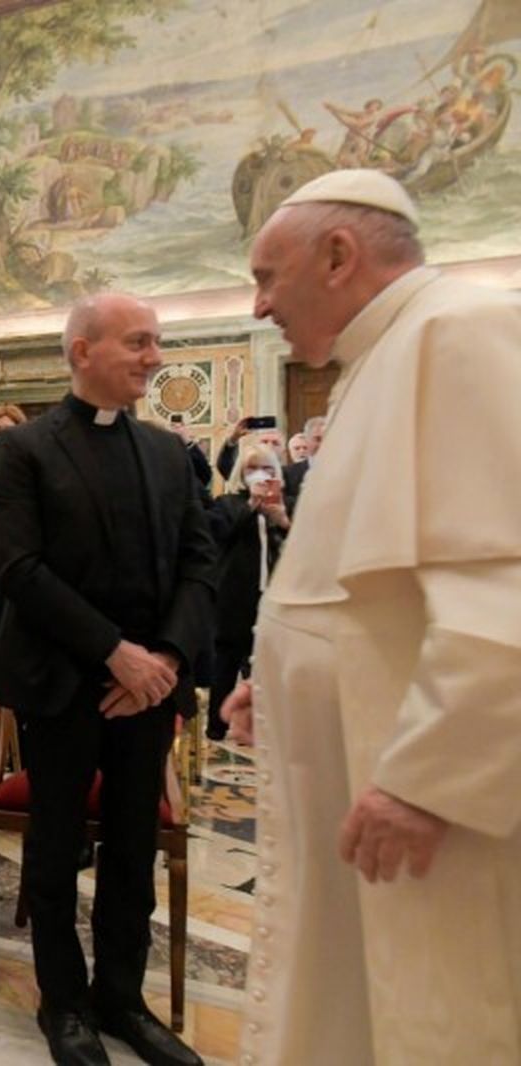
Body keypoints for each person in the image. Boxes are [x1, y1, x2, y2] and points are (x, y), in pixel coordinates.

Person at [221, 169, 521, 1065]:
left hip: (425, 811)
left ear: (340, 255)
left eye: (269, 276)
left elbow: (501, 591)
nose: (261, 302)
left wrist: (429, 779)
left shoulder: (459, 332)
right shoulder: (377, 360)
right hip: (355, 781)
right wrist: (274, 685)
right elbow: (368, 592)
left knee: (426, 1016)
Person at [0, 293, 214, 1066]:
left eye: (158, 342)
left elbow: (198, 563)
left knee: (131, 850)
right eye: (138, 342)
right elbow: (19, 568)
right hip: (62, 683)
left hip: (146, 689)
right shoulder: (24, 450)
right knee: (52, 852)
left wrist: (168, 661)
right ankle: (64, 1002)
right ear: (82, 351)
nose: (154, 356)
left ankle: (122, 997)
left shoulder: (166, 452)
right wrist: (117, 652)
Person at [203, 446, 287, 743]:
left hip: (274, 598)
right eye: (252, 468)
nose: (260, 474)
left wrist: (282, 519)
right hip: (234, 596)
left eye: (266, 467)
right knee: (226, 661)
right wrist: (251, 505)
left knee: (264, 665)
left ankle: (261, 727)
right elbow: (217, 534)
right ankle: (217, 726)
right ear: (242, 472)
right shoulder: (228, 503)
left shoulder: (285, 504)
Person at [282, 414, 326, 505]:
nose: (323, 444)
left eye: (328, 438)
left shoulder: (346, 471)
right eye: (317, 439)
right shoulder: (288, 473)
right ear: (306, 440)